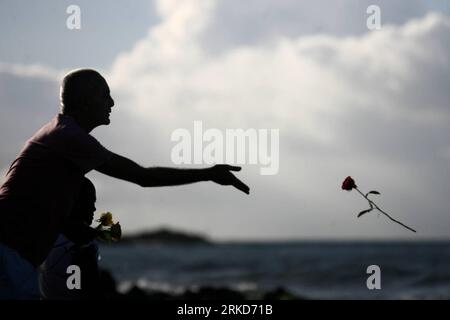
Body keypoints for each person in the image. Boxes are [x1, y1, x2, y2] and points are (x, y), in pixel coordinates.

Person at [0, 69, 250, 299]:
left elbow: (43, 208)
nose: (111, 103)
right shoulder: (69, 137)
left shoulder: (59, 135)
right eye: (105, 95)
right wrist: (208, 173)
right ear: (86, 100)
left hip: (16, 258)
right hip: (9, 256)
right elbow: (143, 177)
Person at [39, 177, 102, 300]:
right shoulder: (81, 247)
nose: (94, 208)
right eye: (91, 201)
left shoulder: (47, 239)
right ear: (76, 203)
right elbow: (90, 293)